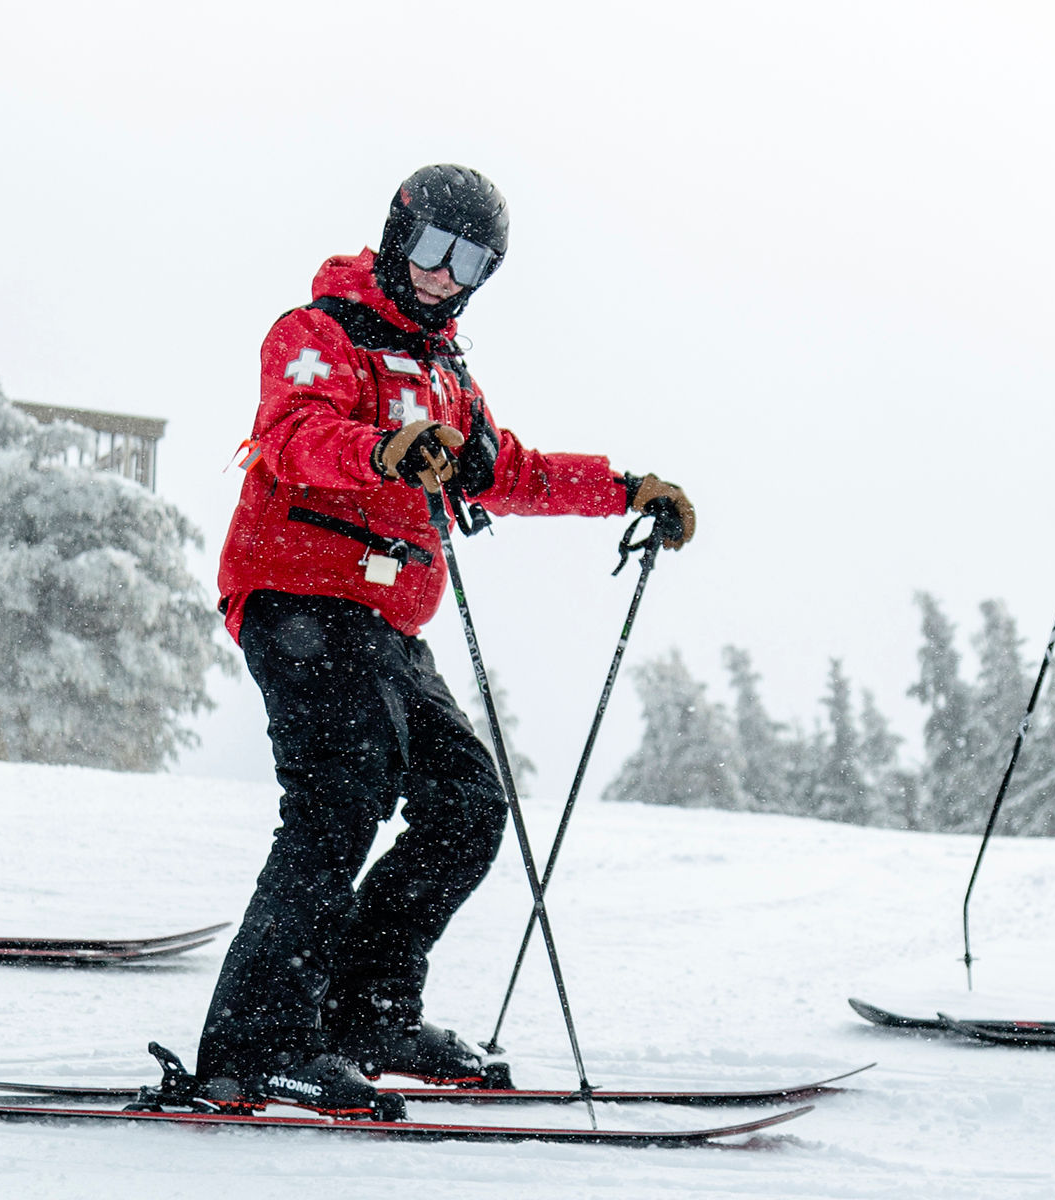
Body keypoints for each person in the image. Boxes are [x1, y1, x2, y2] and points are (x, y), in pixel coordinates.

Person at [189, 164, 694, 1112]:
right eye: (430, 249)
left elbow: (508, 473)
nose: (442, 274)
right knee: (341, 793)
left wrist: (627, 491)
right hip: (296, 594)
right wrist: (381, 450)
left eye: (469, 262)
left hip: (383, 622)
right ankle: (253, 1045)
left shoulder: (449, 371)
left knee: (467, 802)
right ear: (396, 235)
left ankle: (366, 1009)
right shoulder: (318, 334)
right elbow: (293, 434)